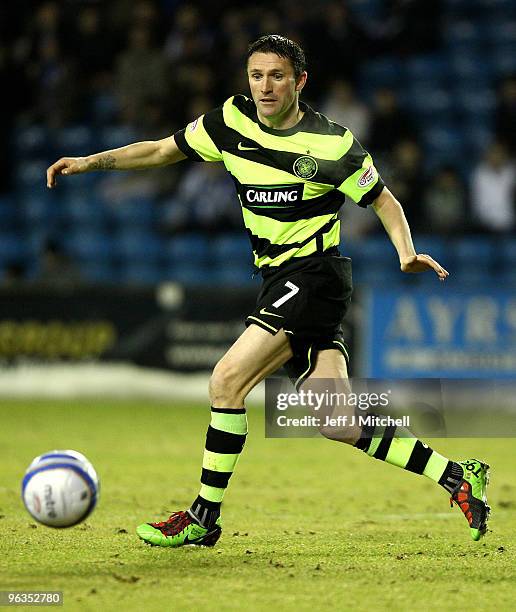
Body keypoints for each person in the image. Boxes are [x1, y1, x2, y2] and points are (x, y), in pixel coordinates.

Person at [47, 34, 490, 547]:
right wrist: (89, 162)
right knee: (337, 422)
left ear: (300, 81)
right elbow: (161, 150)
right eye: (256, 75)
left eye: (277, 75)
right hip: (281, 278)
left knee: (226, 381)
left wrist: (405, 252)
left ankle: (202, 517)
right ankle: (457, 475)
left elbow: (384, 200)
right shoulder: (230, 121)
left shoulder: (334, 144)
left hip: (314, 275)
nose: (265, 86)